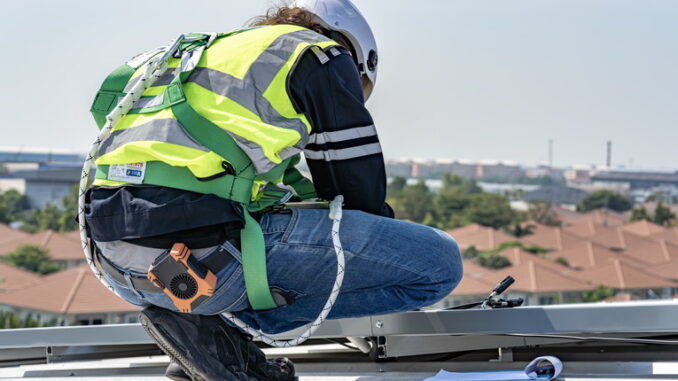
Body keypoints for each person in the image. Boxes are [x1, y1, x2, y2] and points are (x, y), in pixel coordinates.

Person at [85, 1, 463, 380]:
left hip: (119, 267)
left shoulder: (200, 57)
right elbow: (355, 190)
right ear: (352, 52)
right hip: (209, 261)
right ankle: (219, 333)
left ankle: (205, 337)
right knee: (437, 264)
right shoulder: (320, 54)